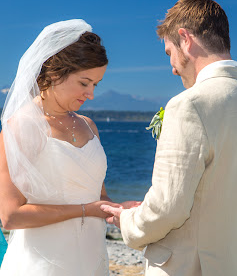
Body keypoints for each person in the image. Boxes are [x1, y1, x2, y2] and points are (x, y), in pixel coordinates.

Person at [101, 0, 237, 276]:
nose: (172, 67)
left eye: (169, 52)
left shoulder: (189, 105)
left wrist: (127, 219)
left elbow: (168, 209)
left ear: (185, 38)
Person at [0, 19, 137, 275]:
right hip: (43, 263)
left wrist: (117, 209)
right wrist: (86, 211)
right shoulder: (21, 127)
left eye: (95, 85)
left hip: (92, 258)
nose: (91, 94)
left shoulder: (89, 126)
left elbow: (98, 196)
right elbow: (10, 215)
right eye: (84, 83)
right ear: (54, 74)